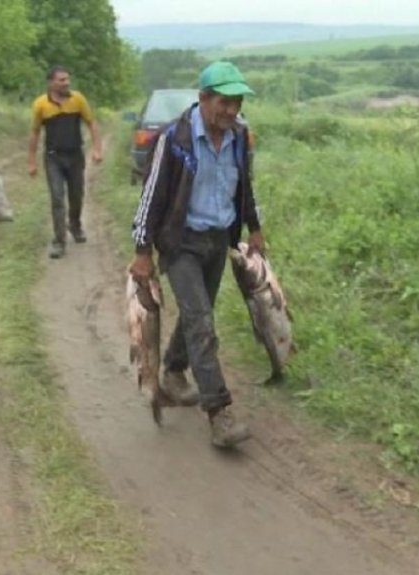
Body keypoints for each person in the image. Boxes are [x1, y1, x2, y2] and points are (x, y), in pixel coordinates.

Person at [128, 61, 265, 449]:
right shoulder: (174, 139)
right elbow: (151, 196)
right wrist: (142, 250)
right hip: (181, 242)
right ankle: (219, 413)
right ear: (203, 98)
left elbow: (244, 188)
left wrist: (253, 228)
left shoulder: (238, 137)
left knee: (197, 313)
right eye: (224, 102)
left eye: (236, 102)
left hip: (217, 238)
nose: (231, 110)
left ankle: (173, 371)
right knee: (201, 322)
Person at [28, 65, 103, 258]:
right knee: (57, 198)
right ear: (51, 82)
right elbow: (35, 132)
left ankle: (75, 225)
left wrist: (97, 149)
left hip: (75, 155)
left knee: (76, 195)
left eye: (67, 79)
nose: (66, 83)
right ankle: (59, 241)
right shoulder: (40, 105)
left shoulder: (77, 99)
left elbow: (91, 123)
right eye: (61, 80)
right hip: (53, 157)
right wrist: (31, 161)